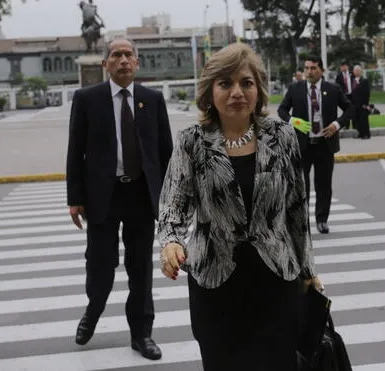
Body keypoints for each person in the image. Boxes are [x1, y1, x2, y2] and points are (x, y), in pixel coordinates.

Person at [157, 42, 323, 371]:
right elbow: (173, 205)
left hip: (276, 279)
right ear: (210, 91)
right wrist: (172, 242)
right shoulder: (192, 141)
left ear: (258, 90)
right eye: (226, 83)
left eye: (246, 83)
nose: (237, 92)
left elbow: (297, 212)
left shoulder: (282, 136)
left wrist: (308, 272)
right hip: (215, 285)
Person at [66, 38, 173, 361]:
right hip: (103, 195)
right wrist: (75, 198)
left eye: (129, 55)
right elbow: (75, 151)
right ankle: (93, 310)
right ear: (106, 64)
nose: (123, 60)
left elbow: (165, 152)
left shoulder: (152, 100)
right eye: (117, 55)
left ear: (137, 63)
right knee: (101, 266)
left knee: (140, 268)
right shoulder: (87, 99)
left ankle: (142, 334)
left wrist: (169, 197)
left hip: (141, 194)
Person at [278, 56, 354, 234]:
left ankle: (322, 220)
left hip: (324, 145)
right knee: (301, 186)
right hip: (302, 146)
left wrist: (336, 124)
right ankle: (302, 222)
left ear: (322, 70)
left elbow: (349, 109)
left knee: (324, 184)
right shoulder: (295, 89)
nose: (309, 72)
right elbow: (281, 110)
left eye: (313, 68)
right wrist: (292, 121)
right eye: (307, 68)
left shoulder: (333, 89)